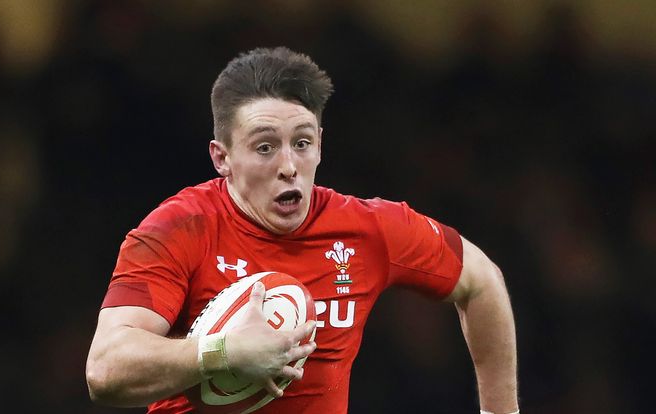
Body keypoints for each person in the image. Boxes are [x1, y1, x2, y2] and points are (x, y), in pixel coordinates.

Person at [85, 47, 519, 414]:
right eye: (265, 147)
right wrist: (223, 352)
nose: (289, 167)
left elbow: (482, 282)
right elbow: (105, 369)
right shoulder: (180, 228)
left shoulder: (368, 229)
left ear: (320, 146)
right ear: (222, 159)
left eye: (302, 142)